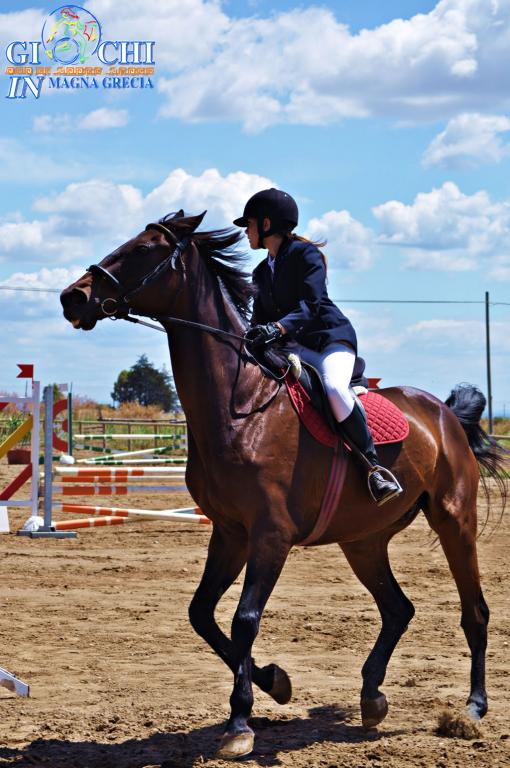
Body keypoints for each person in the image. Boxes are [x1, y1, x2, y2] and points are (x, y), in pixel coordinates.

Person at [233, 188, 402, 506]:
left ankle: (373, 467)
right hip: (294, 348)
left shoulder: (305, 256)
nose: (246, 231)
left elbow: (310, 305)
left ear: (267, 224)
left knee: (334, 389)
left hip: (328, 341)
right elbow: (259, 320)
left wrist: (278, 327)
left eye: (250, 224)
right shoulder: (261, 272)